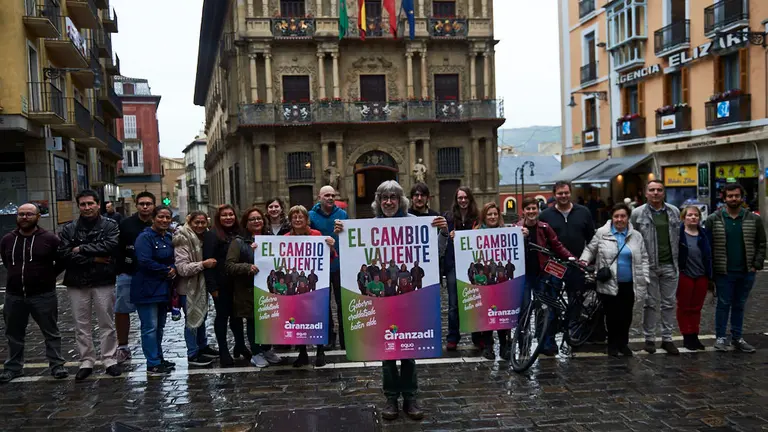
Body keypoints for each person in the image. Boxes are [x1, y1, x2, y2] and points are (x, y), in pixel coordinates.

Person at [334, 180, 448, 421]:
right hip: (382, 302)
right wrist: (340, 237)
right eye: (384, 198)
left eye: (393, 197)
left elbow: (436, 254)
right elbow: (352, 259)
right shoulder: (368, 227)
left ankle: (410, 397)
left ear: (400, 200)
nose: (388, 202)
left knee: (408, 350)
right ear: (378, 201)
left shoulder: (415, 223)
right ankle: (390, 399)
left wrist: (443, 233)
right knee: (386, 350)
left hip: (408, 300)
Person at [0, 203, 67, 383]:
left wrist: (48, 276)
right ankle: (13, 368)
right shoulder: (8, 239)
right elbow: (7, 262)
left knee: (51, 332)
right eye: (21, 214)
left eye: (29, 214)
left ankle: (57, 365)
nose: (25, 217)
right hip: (14, 295)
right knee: (14, 334)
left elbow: (61, 261)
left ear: (37, 217)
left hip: (43, 295)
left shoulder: (50, 239)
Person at [58, 189, 121, 381]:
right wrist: (94, 259)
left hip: (103, 280)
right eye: (83, 204)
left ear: (98, 204)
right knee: (81, 324)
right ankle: (86, 361)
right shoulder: (69, 228)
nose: (87, 207)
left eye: (90, 203)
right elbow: (65, 255)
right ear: (78, 206)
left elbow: (110, 246)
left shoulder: (110, 225)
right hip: (77, 282)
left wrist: (82, 249)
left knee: (106, 322)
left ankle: (109, 359)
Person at [580, 203, 649, 357]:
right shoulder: (602, 233)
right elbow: (590, 249)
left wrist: (645, 276)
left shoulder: (636, 236)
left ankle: (623, 344)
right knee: (611, 316)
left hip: (630, 283)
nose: (619, 219)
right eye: (616, 216)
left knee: (626, 315)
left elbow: (644, 257)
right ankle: (612, 344)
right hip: (609, 282)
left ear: (628, 218)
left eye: (623, 216)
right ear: (612, 217)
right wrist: (583, 262)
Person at [705, 183, 766, 353]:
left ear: (742, 197)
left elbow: (761, 243)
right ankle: (720, 338)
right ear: (724, 198)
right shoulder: (713, 219)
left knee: (739, 305)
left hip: (746, 271)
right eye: (730, 196)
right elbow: (707, 246)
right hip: (723, 271)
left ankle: (737, 337)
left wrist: (756, 265)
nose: (734, 199)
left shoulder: (753, 219)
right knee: (723, 304)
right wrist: (710, 271)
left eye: (737, 196)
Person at [538, 181, 598, 341]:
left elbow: (591, 239)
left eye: (566, 193)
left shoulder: (583, 212)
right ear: (554, 195)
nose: (563, 196)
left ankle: (574, 332)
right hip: (554, 265)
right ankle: (549, 338)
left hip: (577, 263)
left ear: (570, 193)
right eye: (560, 193)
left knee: (575, 299)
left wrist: (590, 261)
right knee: (551, 301)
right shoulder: (545, 215)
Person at [226, 207, 284, 368]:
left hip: (268, 289)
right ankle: (256, 352)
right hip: (248, 290)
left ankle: (266, 349)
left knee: (268, 320)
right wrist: (247, 267)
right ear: (246, 223)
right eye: (252, 219)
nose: (256, 221)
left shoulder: (270, 239)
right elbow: (229, 266)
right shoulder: (238, 242)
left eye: (259, 218)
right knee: (253, 321)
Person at [517, 197, 573, 357]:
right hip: (523, 276)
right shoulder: (517, 228)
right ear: (523, 211)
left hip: (542, 274)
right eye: (528, 209)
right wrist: (522, 237)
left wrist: (572, 258)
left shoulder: (544, 227)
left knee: (544, 310)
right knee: (524, 310)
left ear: (538, 210)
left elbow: (557, 245)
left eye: (534, 208)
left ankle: (545, 344)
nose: (531, 211)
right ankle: (523, 344)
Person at [630, 180, 681, 355]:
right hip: (648, 266)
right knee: (649, 304)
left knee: (669, 303)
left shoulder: (674, 211)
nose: (655, 193)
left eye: (659, 190)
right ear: (646, 193)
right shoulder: (637, 213)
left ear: (664, 193)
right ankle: (649, 339)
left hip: (670, 264)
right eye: (652, 190)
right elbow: (632, 238)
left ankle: (667, 339)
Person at [285, 205, 336, 367]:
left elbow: (330, 257)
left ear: (307, 219)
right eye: (294, 217)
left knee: (318, 314)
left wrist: (330, 246)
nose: (297, 220)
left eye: (301, 217)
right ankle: (302, 353)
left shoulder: (317, 235)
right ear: (290, 220)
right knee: (298, 316)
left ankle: (320, 351)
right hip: (297, 286)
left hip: (315, 285)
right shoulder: (285, 238)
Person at [132, 205, 176, 375]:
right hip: (146, 289)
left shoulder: (168, 237)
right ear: (153, 218)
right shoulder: (144, 237)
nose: (164, 220)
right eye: (161, 217)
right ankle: (152, 363)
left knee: (159, 326)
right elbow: (144, 261)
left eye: (167, 217)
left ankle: (159, 357)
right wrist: (166, 270)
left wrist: (173, 268)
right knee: (149, 327)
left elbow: (173, 258)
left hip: (163, 288)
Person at [173, 211, 219, 367]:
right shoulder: (182, 237)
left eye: (202, 222)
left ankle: (202, 346)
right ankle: (192, 353)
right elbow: (182, 268)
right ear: (190, 222)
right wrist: (203, 264)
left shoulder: (205, 236)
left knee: (202, 317)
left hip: (201, 285)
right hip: (187, 287)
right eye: (196, 222)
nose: (200, 225)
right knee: (192, 321)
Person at [204, 204, 248, 366]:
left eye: (231, 214)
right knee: (222, 316)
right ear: (218, 218)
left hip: (238, 282)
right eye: (224, 215)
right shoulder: (212, 235)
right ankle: (224, 351)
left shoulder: (240, 233)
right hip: (221, 283)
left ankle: (240, 345)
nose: (228, 218)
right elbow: (208, 261)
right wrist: (212, 287)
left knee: (237, 316)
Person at [115, 191, 156, 364]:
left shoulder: (158, 222)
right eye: (142, 204)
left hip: (152, 276)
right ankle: (123, 346)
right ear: (136, 205)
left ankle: (154, 350)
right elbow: (118, 248)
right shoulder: (126, 224)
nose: (145, 207)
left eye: (148, 204)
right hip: (128, 273)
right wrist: (121, 270)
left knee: (150, 315)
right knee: (122, 310)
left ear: (153, 205)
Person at [309, 185, 348, 350]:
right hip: (320, 267)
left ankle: (345, 339)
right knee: (324, 304)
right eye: (326, 195)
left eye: (332, 195)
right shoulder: (311, 215)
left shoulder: (343, 214)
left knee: (342, 303)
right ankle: (329, 339)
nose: (330, 198)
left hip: (339, 265)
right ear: (319, 198)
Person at [473, 202, 512, 361]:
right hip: (486, 283)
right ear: (484, 216)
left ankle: (504, 345)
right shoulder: (475, 233)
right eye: (489, 214)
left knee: (502, 312)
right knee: (487, 313)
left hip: (500, 282)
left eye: (495, 214)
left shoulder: (506, 231)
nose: (493, 217)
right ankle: (488, 345)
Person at [444, 186, 479, 351]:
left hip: (473, 266)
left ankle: (477, 336)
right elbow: (441, 237)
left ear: (470, 199)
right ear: (456, 200)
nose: (463, 201)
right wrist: (448, 235)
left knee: (474, 302)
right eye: (460, 198)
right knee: (453, 305)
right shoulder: (449, 217)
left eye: (465, 198)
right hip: (453, 265)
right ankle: (452, 337)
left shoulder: (477, 218)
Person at [677, 205, 713, 351]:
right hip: (685, 275)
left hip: (701, 275)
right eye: (690, 215)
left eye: (696, 215)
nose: (693, 217)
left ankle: (694, 334)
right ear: (683, 218)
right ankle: (687, 335)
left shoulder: (704, 234)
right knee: (684, 307)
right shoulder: (678, 234)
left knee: (696, 307)